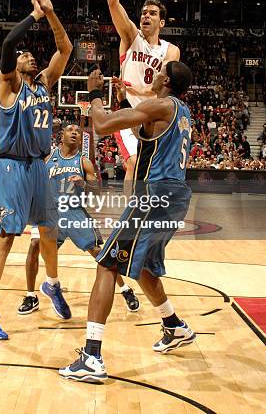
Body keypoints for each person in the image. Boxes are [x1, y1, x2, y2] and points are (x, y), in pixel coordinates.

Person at [60, 61, 194, 383]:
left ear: (165, 79)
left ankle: (92, 356)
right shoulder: (181, 112)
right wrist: (122, 102)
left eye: (160, 70)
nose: (155, 73)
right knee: (144, 266)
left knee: (107, 263)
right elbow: (141, 131)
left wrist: (94, 95)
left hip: (154, 195)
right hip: (175, 199)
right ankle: (173, 324)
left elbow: (103, 125)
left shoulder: (161, 104)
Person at [0, 0, 73, 340]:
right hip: (12, 164)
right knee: (7, 235)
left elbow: (65, 49)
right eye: (25, 55)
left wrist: (51, 11)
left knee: (48, 230)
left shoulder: (43, 82)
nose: (30, 56)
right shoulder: (9, 86)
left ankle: (52, 284)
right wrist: (34, 16)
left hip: (38, 165)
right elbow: (7, 45)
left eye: (32, 55)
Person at [18, 124, 140, 315]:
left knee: (98, 252)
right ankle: (31, 295)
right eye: (70, 130)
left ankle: (126, 290)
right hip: (50, 213)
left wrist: (83, 183)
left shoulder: (84, 162)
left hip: (74, 212)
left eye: (77, 130)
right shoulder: (48, 157)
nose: (74, 132)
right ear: (61, 136)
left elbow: (96, 192)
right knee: (34, 246)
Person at [98, 0, 180, 193]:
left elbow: (164, 87)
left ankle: (148, 211)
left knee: (153, 171)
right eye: (144, 12)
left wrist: (133, 87)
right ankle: (129, 214)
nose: (146, 16)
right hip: (128, 110)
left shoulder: (172, 50)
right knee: (132, 163)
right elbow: (113, 2)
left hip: (155, 115)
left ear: (162, 23)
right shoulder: (131, 36)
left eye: (152, 14)